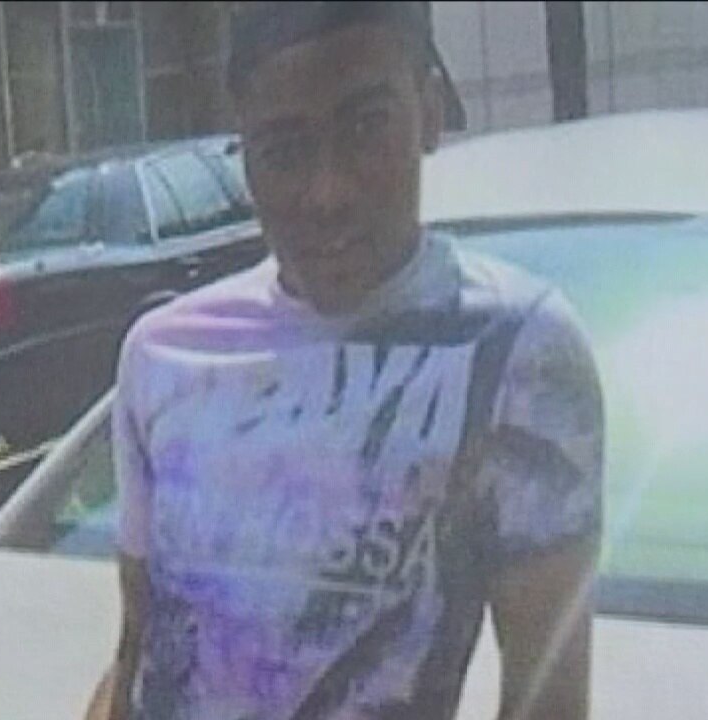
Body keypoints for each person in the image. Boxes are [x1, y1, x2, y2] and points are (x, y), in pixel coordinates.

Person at [90, 3, 604, 719]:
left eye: (366, 126)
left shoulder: (513, 352)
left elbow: (548, 701)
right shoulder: (164, 354)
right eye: (284, 150)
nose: (327, 191)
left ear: (429, 113)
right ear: (244, 153)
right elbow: (137, 651)